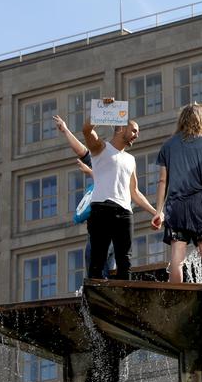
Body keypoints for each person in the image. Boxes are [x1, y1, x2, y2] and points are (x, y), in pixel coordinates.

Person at [151, 104, 202, 285]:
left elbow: (162, 181)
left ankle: (178, 299)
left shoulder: (168, 146)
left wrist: (158, 211)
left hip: (176, 207)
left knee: (177, 259)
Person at [81, 102, 159, 280]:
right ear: (121, 128)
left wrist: (156, 213)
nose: (136, 135)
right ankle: (94, 301)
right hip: (101, 209)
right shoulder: (101, 148)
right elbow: (86, 130)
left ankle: (125, 297)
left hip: (124, 213)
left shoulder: (131, 159)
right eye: (133, 130)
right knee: (97, 260)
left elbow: (135, 192)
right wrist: (104, 110)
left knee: (125, 260)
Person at [52, 114, 115, 277]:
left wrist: (92, 173)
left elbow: (111, 187)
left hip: (108, 230)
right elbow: (81, 150)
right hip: (97, 231)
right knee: (98, 272)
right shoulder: (100, 162)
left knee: (99, 273)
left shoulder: (121, 166)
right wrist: (66, 130)